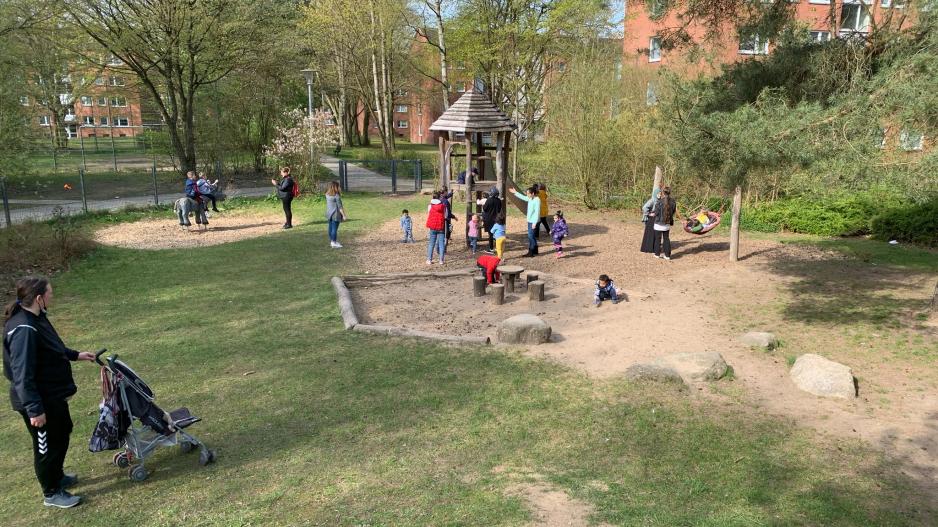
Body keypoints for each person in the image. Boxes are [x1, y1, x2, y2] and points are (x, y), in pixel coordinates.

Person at [3, 277, 97, 508]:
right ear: (38, 298)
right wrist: (35, 410)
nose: (52, 297)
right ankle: (51, 492)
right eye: (50, 294)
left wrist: (75, 355)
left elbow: (51, 346)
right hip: (37, 401)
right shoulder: (23, 329)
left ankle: (57, 476)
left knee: (63, 431)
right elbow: (22, 374)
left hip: (52, 396)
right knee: (46, 446)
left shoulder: (37, 318)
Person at [509, 185, 541, 257]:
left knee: (530, 236)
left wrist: (534, 223)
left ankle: (531, 252)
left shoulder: (537, 200)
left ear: (532, 193)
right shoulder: (530, 198)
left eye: (528, 193)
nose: (527, 195)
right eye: (526, 193)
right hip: (530, 220)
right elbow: (523, 197)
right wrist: (515, 192)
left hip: (534, 221)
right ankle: (535, 250)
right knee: (532, 236)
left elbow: (537, 212)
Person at [653, 186, 677, 260]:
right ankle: (667, 256)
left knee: (658, 239)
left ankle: (657, 254)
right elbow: (673, 212)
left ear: (663, 193)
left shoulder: (659, 201)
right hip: (667, 223)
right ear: (670, 193)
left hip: (658, 224)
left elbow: (656, 213)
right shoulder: (673, 202)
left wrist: (657, 199)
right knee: (666, 239)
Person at [426, 191, 447, 265]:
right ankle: (441, 260)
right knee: (441, 243)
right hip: (440, 226)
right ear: (439, 197)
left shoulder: (430, 206)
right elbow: (446, 216)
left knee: (431, 243)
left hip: (432, 226)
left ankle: (429, 259)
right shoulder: (443, 206)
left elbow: (429, 213)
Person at [325, 181, 347, 248]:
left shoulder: (327, 195)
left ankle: (332, 241)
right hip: (335, 215)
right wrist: (344, 215)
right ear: (335, 187)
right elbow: (340, 207)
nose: (339, 188)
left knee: (330, 228)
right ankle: (333, 242)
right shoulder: (337, 196)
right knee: (334, 229)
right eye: (338, 186)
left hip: (329, 214)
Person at [640, 187, 661, 254]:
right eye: (658, 194)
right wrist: (648, 213)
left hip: (655, 219)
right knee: (649, 234)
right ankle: (647, 248)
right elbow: (644, 207)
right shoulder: (652, 200)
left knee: (654, 234)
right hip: (650, 219)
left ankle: (652, 248)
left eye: (660, 194)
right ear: (655, 194)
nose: (659, 195)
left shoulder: (658, 200)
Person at [481, 187, 503, 251]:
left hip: (489, 219)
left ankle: (491, 248)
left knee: (490, 234)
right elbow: (499, 209)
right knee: (497, 234)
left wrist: (483, 204)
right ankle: (497, 247)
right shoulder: (499, 200)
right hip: (497, 219)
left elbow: (485, 208)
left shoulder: (489, 200)